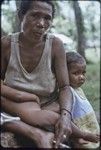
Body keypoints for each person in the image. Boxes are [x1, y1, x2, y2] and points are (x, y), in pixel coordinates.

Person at [1, 0, 73, 148]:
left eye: (47, 18)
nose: (41, 23)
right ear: (21, 15)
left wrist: (66, 117)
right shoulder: (6, 45)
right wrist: (20, 98)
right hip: (13, 107)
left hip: (47, 108)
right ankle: (36, 134)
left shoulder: (55, 45)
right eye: (35, 15)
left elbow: (65, 87)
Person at [65, 51, 100, 148]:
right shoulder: (68, 91)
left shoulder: (78, 90)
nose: (81, 77)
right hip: (78, 135)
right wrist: (77, 136)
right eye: (76, 73)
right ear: (63, 73)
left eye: (83, 73)